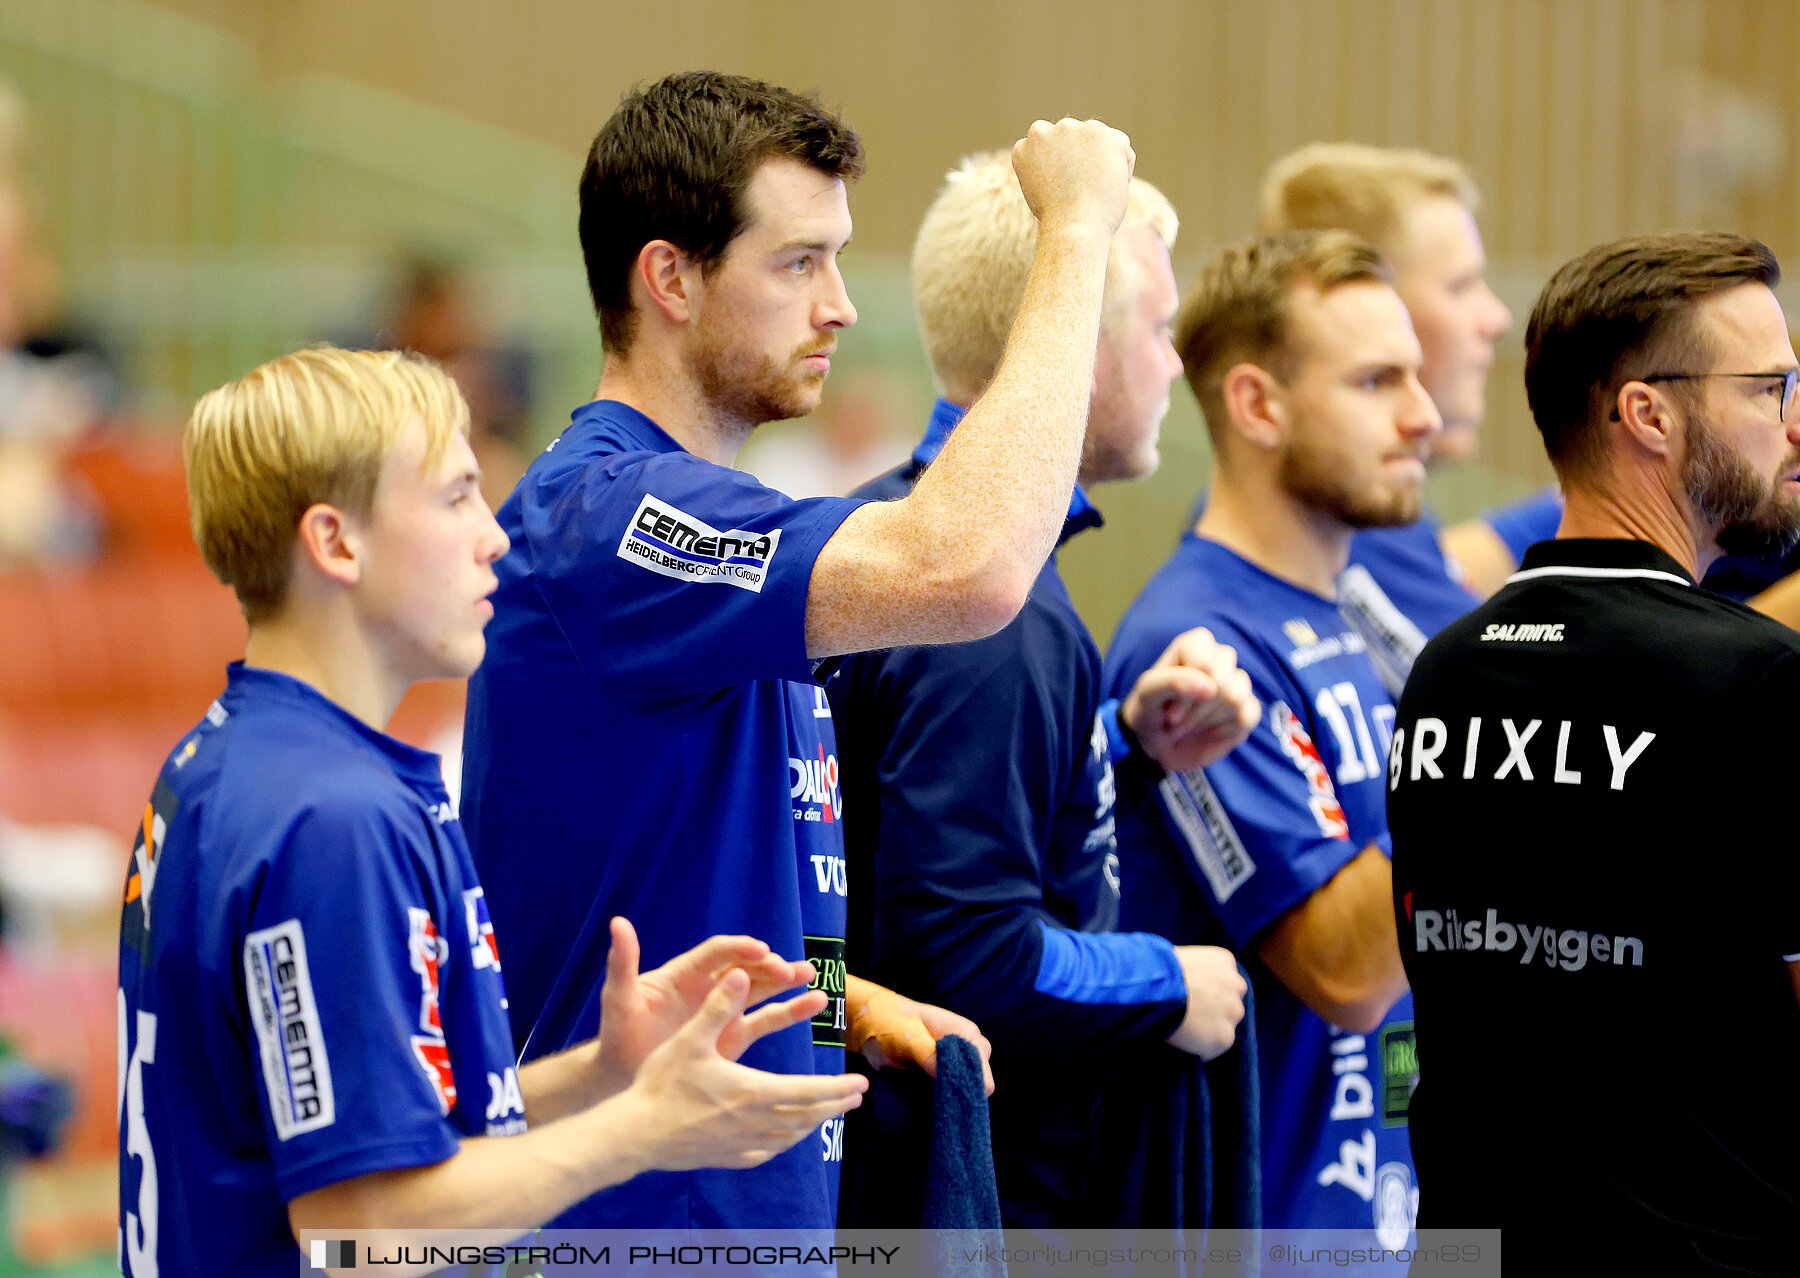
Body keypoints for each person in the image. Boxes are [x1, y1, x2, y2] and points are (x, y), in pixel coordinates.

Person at [461, 72, 1136, 1230]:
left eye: (836, 261)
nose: (839, 305)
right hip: (629, 1229)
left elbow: (709, 873)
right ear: (669, 277)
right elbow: (966, 566)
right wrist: (1074, 236)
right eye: (796, 263)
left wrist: (840, 999)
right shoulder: (615, 516)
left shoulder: (710, 535)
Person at [116, 348, 870, 1277]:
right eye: (454, 498)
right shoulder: (332, 821)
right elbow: (366, 1230)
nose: (494, 537)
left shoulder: (224, 759)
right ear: (336, 543)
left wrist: (602, 1074)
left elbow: (374, 1128)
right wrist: (640, 1130)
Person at [827, 152, 1254, 1228]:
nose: (1171, 367)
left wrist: (1117, 746)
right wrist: (1171, 982)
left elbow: (903, 826)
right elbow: (962, 954)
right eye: (1158, 332)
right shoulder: (994, 618)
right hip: (973, 1199)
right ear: (1071, 341)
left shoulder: (888, 526)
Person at [1387, 232, 1800, 1272]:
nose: (1793, 426)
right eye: (1769, 388)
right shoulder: (1762, 684)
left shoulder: (1444, 673)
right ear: (1648, 415)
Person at [1103, 231, 1437, 1252]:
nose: (1421, 415)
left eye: (1414, 376)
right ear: (1257, 405)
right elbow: (1345, 972)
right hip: (1263, 1231)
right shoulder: (1200, 647)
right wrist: (1509, 753)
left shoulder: (1360, 608)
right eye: (1376, 381)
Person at [1256, 143, 1513, 656]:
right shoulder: (1349, 518)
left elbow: (1459, 560)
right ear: (1368, 301)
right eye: (1461, 286)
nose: (1498, 318)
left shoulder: (1379, 512)